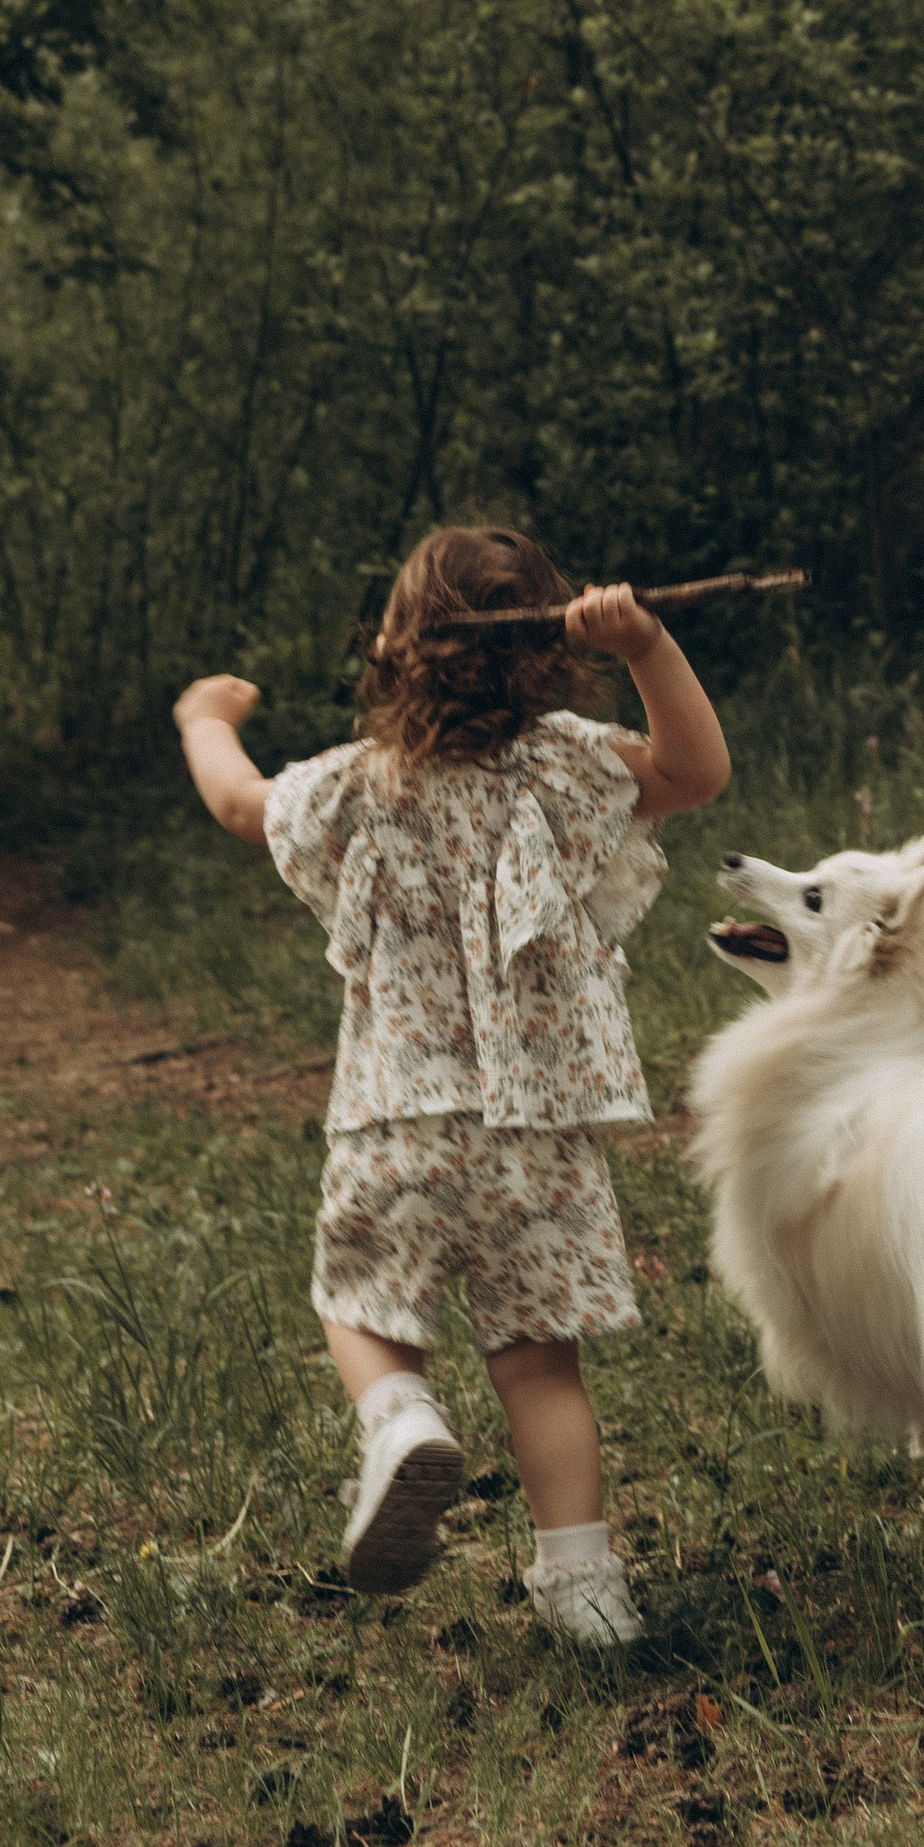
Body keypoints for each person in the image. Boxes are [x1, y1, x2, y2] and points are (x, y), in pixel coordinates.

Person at [173, 525, 730, 1632]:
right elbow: (695, 771)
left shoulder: (359, 783)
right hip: (540, 1127)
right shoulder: (568, 767)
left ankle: (398, 1418)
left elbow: (242, 805)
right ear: (547, 651)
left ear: (398, 648)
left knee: (361, 1301)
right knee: (539, 1363)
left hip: (400, 1118)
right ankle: (585, 1585)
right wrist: (650, 647)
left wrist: (205, 721)